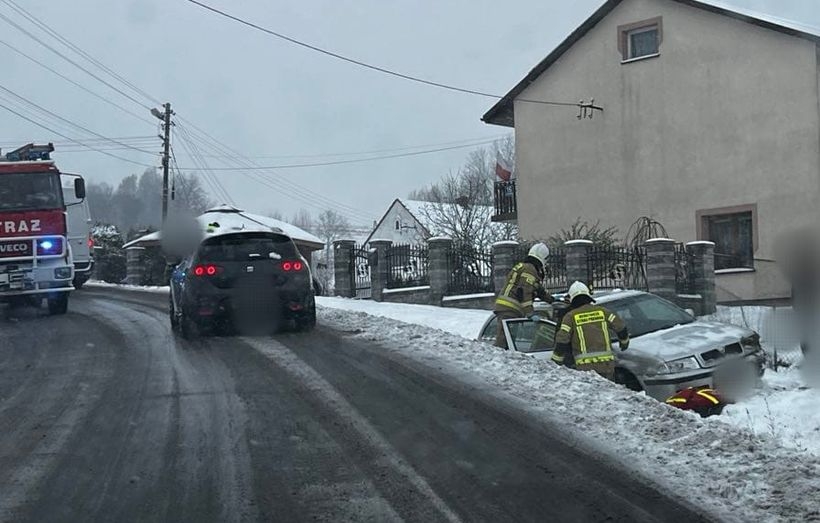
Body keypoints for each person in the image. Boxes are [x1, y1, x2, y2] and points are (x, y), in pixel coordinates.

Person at [552, 281, 629, 379]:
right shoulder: (602, 312)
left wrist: (556, 362)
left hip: (585, 368)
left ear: (572, 298)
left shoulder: (570, 316)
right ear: (588, 296)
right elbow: (620, 326)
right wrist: (624, 342)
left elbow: (562, 339)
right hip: (606, 365)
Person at [494, 242, 554, 349]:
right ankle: (496, 363)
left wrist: (552, 299)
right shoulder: (530, 269)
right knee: (503, 344)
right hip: (510, 308)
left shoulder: (525, 267)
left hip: (507, 307)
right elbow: (524, 291)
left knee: (506, 342)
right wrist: (530, 313)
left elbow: (536, 288)